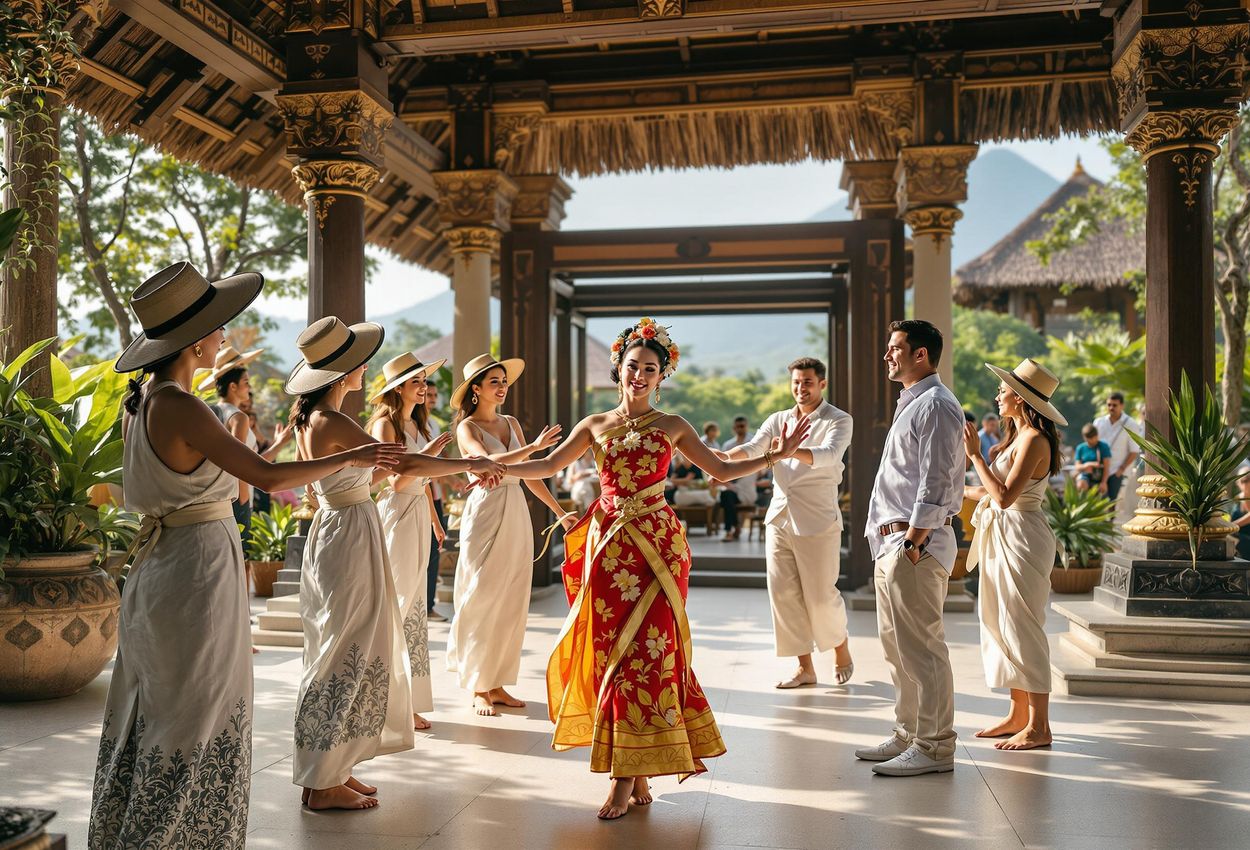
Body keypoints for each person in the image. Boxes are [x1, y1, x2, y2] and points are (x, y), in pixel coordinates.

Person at [89, 263, 404, 847]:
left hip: (170, 564)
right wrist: (348, 460)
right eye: (214, 327)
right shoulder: (181, 405)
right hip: (194, 569)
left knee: (169, 701)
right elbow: (262, 473)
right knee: (195, 703)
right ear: (191, 339)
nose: (221, 337)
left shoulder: (144, 401)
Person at [503, 317, 811, 820]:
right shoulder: (594, 425)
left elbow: (724, 470)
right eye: (633, 366)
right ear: (618, 370)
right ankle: (637, 766)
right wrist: (498, 467)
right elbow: (545, 468)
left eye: (651, 368)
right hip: (609, 550)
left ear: (662, 375)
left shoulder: (673, 426)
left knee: (652, 651)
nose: (640, 375)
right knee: (614, 655)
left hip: (658, 548)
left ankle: (625, 778)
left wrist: (779, 454)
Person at [286, 318, 503, 811]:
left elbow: (392, 467)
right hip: (348, 532)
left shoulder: (314, 419)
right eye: (357, 360)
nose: (364, 365)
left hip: (341, 528)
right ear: (342, 373)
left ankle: (332, 768)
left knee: (346, 646)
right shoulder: (332, 420)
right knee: (343, 651)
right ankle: (322, 781)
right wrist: (471, 465)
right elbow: (403, 468)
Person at [859, 319, 964, 777]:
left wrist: (914, 542)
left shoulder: (937, 405)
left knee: (923, 648)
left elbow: (936, 479)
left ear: (921, 355)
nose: (887, 355)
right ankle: (908, 732)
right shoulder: (912, 402)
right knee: (897, 650)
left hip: (914, 544)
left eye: (895, 348)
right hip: (893, 543)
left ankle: (936, 745)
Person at [447, 353, 571, 717]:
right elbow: (490, 464)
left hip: (515, 509)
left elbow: (529, 474)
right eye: (495, 383)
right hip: (485, 511)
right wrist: (533, 448)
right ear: (476, 390)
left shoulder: (512, 422)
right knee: (482, 593)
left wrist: (559, 512)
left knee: (513, 596)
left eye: (504, 381)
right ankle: (478, 685)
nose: (502, 388)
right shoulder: (466, 428)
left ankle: (497, 682)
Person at [724, 358, 853, 689]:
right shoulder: (777, 419)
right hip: (779, 518)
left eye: (807, 382)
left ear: (821, 384)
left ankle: (840, 645)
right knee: (783, 594)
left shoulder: (839, 419)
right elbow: (754, 448)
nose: (801, 388)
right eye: (796, 382)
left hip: (818, 519)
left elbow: (829, 454)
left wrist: (789, 451)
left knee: (821, 596)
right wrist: (720, 457)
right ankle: (805, 667)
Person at [964, 359, 1065, 751]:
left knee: (1023, 626)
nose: (998, 394)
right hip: (1003, 532)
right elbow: (992, 493)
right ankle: (1018, 714)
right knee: (1002, 622)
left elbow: (1004, 497)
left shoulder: (1035, 441)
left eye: (1004, 390)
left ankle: (1040, 725)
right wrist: (953, 490)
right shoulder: (1015, 438)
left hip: (1022, 536)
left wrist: (974, 457)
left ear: (1021, 399)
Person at [367, 352, 453, 732]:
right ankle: (389, 700)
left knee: (415, 605)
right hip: (397, 513)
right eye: (417, 382)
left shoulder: (419, 424)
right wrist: (431, 454)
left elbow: (425, 482)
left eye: (423, 381)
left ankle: (409, 701)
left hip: (419, 512)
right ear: (398, 388)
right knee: (399, 604)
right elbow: (398, 480)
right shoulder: (385, 425)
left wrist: (435, 521)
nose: (424, 388)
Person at [198, 345, 292, 541]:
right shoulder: (238, 418)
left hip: (217, 501)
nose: (249, 388)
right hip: (237, 501)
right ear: (233, 387)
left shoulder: (211, 413)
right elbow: (242, 465)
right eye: (246, 382)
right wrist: (244, 501)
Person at [423, 381, 458, 622]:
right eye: (428, 394)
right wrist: (450, 477)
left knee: (434, 552)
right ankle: (423, 606)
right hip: (416, 494)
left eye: (435, 394)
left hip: (433, 494)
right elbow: (424, 464)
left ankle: (428, 605)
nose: (432, 398)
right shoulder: (413, 424)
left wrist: (450, 480)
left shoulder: (433, 423)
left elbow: (437, 461)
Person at [1092, 392, 1143, 501]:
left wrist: (1121, 469)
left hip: (1118, 471)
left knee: (1113, 504)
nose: (1111, 408)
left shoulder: (1131, 424)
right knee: (1097, 503)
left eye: (1114, 405)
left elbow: (1134, 451)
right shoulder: (1098, 422)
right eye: (1109, 405)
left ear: (1122, 406)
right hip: (1100, 469)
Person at [718, 415, 756, 541]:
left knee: (726, 496)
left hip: (748, 482)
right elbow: (722, 465)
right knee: (725, 495)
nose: (740, 428)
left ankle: (732, 528)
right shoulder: (728, 445)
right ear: (734, 428)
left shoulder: (754, 442)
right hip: (731, 482)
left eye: (742, 426)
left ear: (746, 426)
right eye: (738, 426)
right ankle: (732, 528)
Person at [1073, 423, 1112, 495]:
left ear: (1097, 436)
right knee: (1081, 485)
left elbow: (1107, 467)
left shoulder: (1103, 446)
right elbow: (1077, 467)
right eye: (1089, 439)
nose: (1092, 441)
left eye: (1094, 438)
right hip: (1085, 477)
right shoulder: (1081, 448)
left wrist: (1104, 482)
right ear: (1085, 438)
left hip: (1099, 477)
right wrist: (1088, 465)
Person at [1229, 463, 1250, 561]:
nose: (1247, 483)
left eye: (1249, 479)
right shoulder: (1237, 499)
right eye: (1244, 480)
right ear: (1238, 483)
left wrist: (1229, 526)